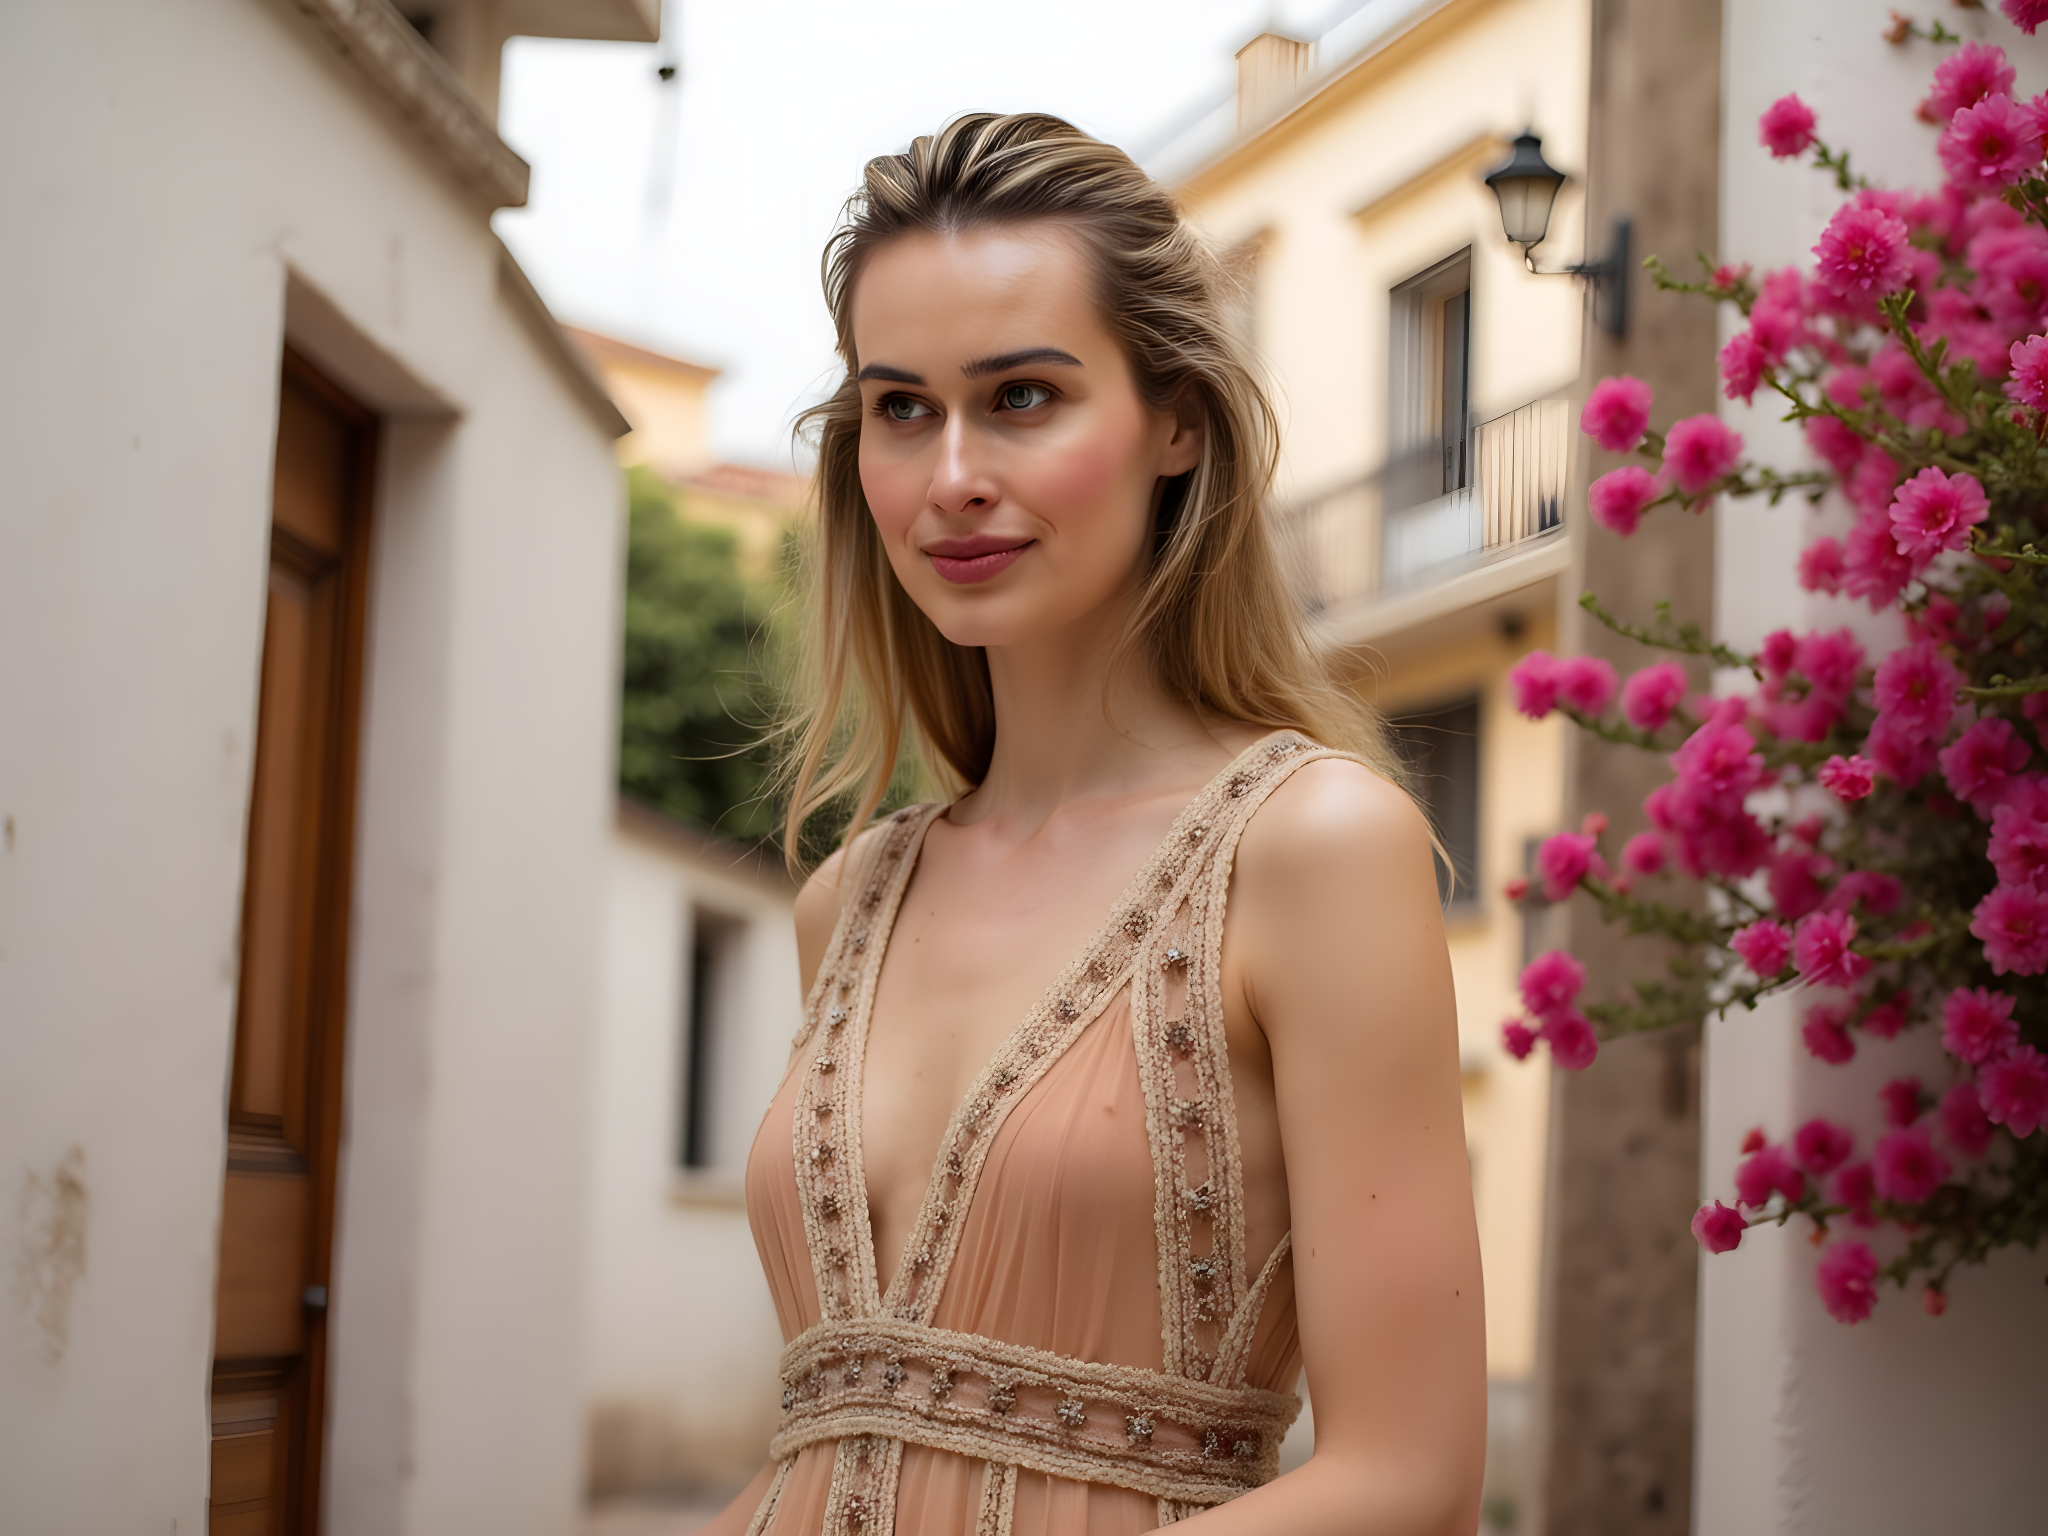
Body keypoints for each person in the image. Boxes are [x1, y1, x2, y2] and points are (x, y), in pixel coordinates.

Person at [707, 113, 1483, 1536]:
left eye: (1020, 397)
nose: (949, 477)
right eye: (900, 407)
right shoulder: (851, 896)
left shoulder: (1309, 848)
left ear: (1173, 420)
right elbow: (827, 1435)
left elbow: (1411, 1479)